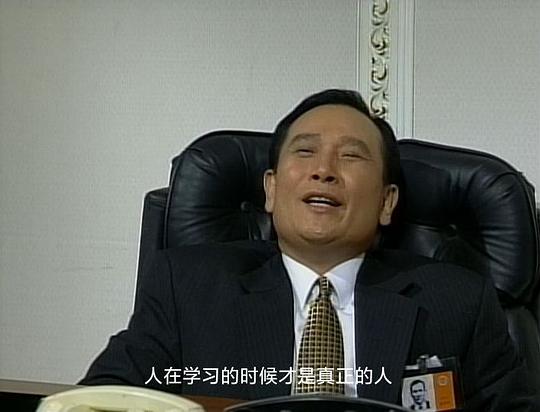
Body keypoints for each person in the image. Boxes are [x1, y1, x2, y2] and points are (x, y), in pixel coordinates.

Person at [81, 89, 536, 410]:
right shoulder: (189, 288)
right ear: (271, 190)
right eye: (304, 152)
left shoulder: (457, 301)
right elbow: (100, 400)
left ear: (386, 202)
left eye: (351, 156)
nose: (324, 170)